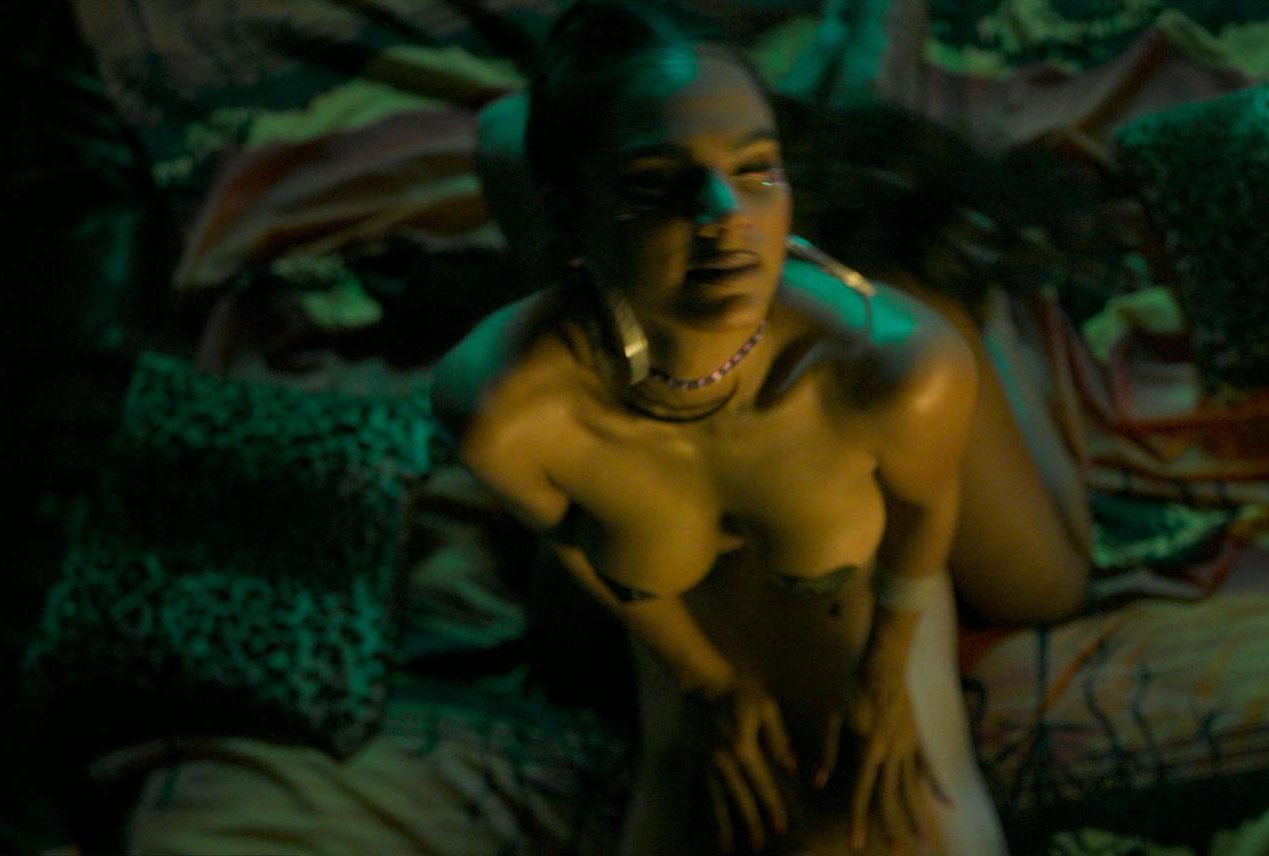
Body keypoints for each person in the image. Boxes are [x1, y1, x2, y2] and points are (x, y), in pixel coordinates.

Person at [434, 4, 1087, 852]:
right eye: (659, 180)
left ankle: (726, 148)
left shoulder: (503, 401)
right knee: (1046, 587)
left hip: (683, 407)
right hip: (795, 391)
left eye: (754, 166)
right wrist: (872, 676)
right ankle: (847, 153)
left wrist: (705, 681)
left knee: (528, 157)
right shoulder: (887, 356)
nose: (721, 213)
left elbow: (563, 529)